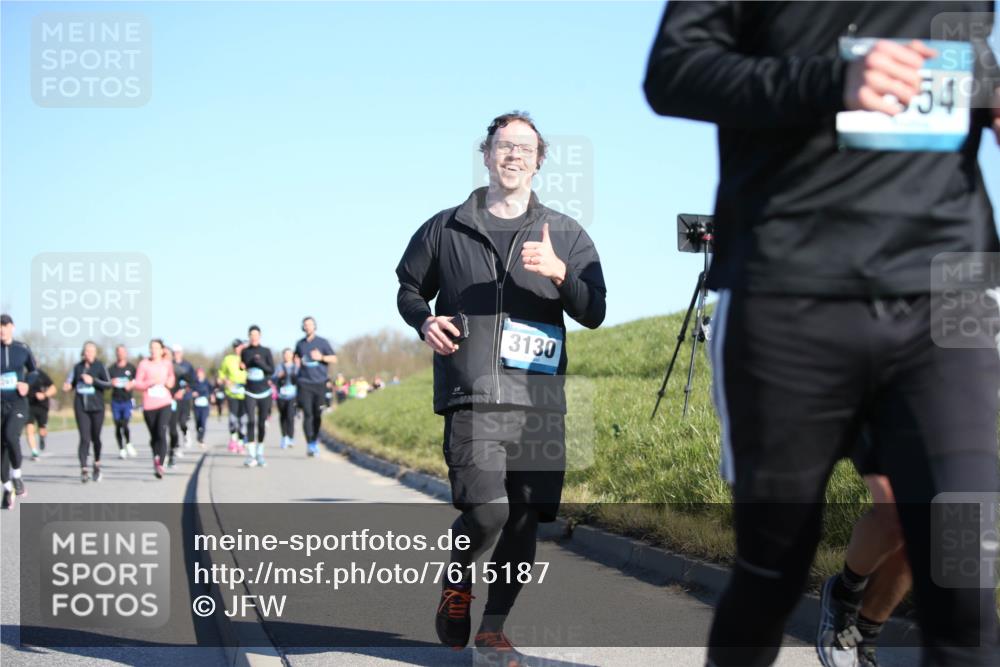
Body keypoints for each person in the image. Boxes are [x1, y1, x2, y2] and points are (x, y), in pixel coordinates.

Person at [644, 5, 1000, 666]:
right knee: (771, 571)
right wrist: (830, 78)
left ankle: (857, 619)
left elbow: (964, 54)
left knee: (965, 587)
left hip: (948, 288)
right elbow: (672, 73)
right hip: (790, 288)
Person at [396, 111, 606, 664]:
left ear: (539, 161)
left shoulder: (566, 233)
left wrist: (562, 274)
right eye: (502, 145)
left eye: (524, 147)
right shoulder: (447, 227)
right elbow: (409, 287)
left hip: (539, 401)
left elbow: (595, 310)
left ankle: (493, 628)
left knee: (523, 517)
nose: (512, 154)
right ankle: (458, 579)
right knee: (487, 510)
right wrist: (423, 320)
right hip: (474, 393)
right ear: (485, 154)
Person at [820, 434, 911, 667]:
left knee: (923, 533)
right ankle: (845, 597)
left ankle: (863, 639)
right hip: (874, 404)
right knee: (895, 513)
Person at [63, 341, 113, 483]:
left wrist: (94, 381)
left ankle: (96, 463)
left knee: (95, 438)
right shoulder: (77, 367)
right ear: (83, 353)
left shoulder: (100, 366)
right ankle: (84, 469)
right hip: (81, 407)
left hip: (97, 407)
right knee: (84, 438)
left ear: (95, 353)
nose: (89, 354)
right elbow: (70, 382)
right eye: (86, 351)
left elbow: (108, 384)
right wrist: (67, 386)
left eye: (91, 351)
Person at [1, 314, 36, 509]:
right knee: (1, 450)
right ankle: (7, 489)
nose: (2, 329)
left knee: (10, 436)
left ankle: (17, 477)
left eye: (5, 325)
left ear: (12, 327)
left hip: (17, 403)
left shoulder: (22, 349)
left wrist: (27, 384)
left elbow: (34, 371)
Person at [294, 316, 337, 457]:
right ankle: (310, 444)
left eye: (310, 324)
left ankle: (314, 439)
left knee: (317, 414)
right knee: (308, 414)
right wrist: (296, 363)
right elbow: (296, 359)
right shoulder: (300, 344)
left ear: (314, 326)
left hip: (319, 383)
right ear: (303, 327)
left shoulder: (322, 342)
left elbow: (334, 358)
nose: (308, 327)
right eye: (305, 325)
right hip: (304, 383)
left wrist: (322, 358)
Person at [134, 339, 175, 479]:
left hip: (165, 403)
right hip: (149, 405)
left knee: (162, 432)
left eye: (156, 348)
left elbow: (171, 378)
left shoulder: (167, 364)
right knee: (154, 437)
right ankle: (156, 457)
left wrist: (170, 382)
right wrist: (151, 382)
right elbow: (137, 384)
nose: (153, 350)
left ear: (162, 350)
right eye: (151, 348)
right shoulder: (144, 364)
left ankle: (161, 465)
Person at [240, 325, 274, 467]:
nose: (254, 337)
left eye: (256, 335)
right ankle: (251, 455)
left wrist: (259, 362)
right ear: (249, 336)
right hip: (249, 391)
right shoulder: (245, 351)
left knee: (261, 423)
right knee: (250, 421)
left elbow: (271, 370)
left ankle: (260, 452)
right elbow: (243, 367)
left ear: (260, 336)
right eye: (251, 335)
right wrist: (243, 366)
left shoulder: (266, 351)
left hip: (264, 391)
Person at [108, 344, 138, 459]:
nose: (120, 354)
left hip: (127, 400)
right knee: (117, 425)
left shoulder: (131, 368)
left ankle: (129, 443)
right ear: (116, 353)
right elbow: (105, 382)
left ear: (125, 353)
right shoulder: (111, 369)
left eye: (122, 352)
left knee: (125, 424)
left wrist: (132, 384)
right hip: (116, 400)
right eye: (118, 352)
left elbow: (138, 380)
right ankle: (121, 449)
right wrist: (111, 382)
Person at [218, 339, 248, 454]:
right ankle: (233, 439)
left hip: (245, 392)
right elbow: (221, 373)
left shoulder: (248, 358)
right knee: (233, 418)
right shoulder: (228, 359)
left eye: (239, 346)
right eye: (235, 347)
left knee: (243, 419)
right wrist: (225, 380)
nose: (237, 349)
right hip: (232, 393)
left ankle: (241, 442)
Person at [168, 344, 196, 464]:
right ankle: (176, 447)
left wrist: (183, 391)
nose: (176, 354)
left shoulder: (187, 366)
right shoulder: (169, 365)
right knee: (172, 425)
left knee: (182, 421)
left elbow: (192, 381)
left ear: (182, 353)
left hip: (185, 398)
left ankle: (185, 433)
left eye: (178, 352)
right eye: (174, 352)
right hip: (172, 399)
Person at [25, 367, 56, 460]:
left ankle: (42, 438)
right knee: (29, 428)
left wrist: (44, 395)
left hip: (42, 406)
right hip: (29, 405)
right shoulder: (24, 375)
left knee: (42, 428)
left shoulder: (41, 374)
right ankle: (34, 452)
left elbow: (53, 388)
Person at [273, 348, 299, 449]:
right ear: (283, 356)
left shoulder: (296, 367)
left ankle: (291, 437)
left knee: (290, 416)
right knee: (283, 416)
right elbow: (273, 379)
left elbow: (300, 379)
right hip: (281, 396)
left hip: (292, 396)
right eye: (285, 354)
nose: (287, 356)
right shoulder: (279, 367)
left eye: (289, 354)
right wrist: (278, 376)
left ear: (292, 355)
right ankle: (284, 437)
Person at [190, 367, 213, 446]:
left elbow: (211, 390)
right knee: (198, 422)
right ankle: (198, 433)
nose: (199, 375)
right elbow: (190, 391)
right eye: (198, 373)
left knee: (203, 422)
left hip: (205, 405)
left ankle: (201, 438)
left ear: (203, 374)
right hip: (197, 405)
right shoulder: (194, 382)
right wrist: (193, 393)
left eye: (200, 373)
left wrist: (212, 396)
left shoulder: (207, 382)